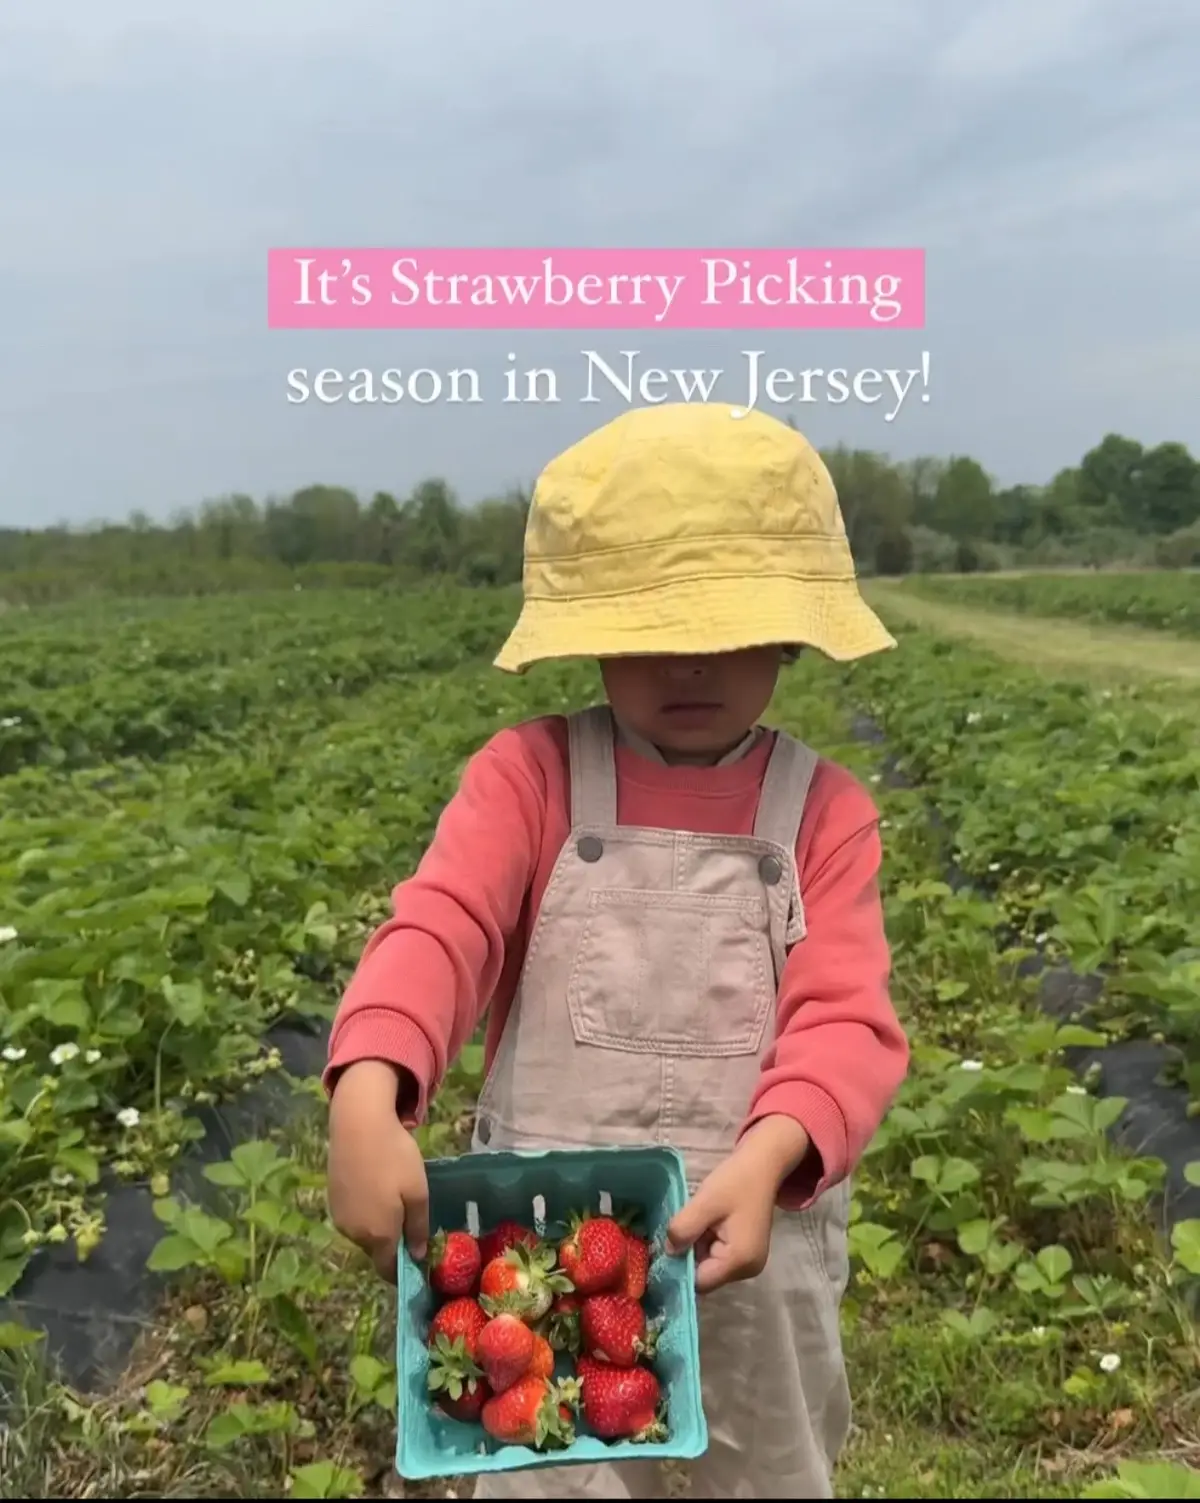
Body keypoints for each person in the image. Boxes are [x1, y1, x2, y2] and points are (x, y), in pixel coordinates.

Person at [325, 402, 910, 1499]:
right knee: (554, 1474)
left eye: (726, 629)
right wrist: (371, 1081)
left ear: (790, 629)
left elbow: (845, 1018)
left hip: (756, 1228)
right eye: (647, 630)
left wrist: (776, 1148)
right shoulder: (530, 778)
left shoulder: (823, 813)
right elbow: (441, 925)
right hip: (540, 1242)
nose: (688, 664)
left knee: (764, 1470)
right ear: (586, 632)